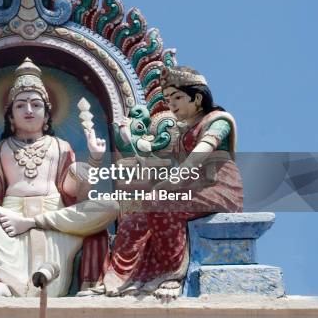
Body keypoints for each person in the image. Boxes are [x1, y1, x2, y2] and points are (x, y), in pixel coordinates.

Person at [0, 58, 119, 297]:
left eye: (35, 104)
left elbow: (76, 194)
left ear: (47, 114)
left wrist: (94, 159)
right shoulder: (0, 149)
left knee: (111, 205)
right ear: (10, 116)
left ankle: (28, 261)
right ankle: (6, 284)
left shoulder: (60, 146)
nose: (29, 110)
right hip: (10, 217)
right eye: (20, 105)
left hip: (54, 218)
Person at [95, 65, 243, 300]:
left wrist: (172, 182)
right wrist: (129, 142)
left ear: (197, 98)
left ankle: (171, 274)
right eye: (167, 99)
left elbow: (200, 154)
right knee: (134, 219)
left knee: (159, 202)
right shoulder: (182, 132)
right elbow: (153, 158)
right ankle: (128, 278)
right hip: (191, 189)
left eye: (177, 97)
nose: (171, 104)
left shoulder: (218, 121)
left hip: (219, 189)